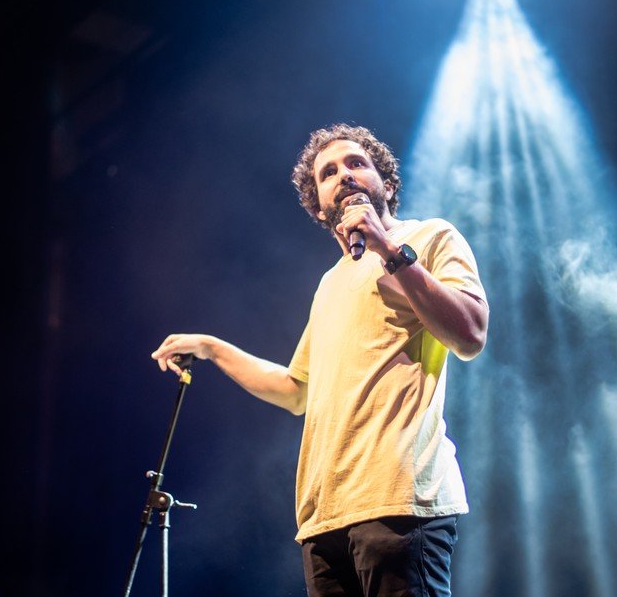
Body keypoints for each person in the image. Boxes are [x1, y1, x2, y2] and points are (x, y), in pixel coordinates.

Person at [151, 124, 489, 597]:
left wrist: (388, 250)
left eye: (356, 164)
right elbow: (295, 390)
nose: (344, 175)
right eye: (328, 172)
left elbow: (471, 333)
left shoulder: (429, 237)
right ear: (318, 205)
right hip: (323, 519)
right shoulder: (330, 283)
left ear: (386, 184)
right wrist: (212, 346)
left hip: (398, 502)